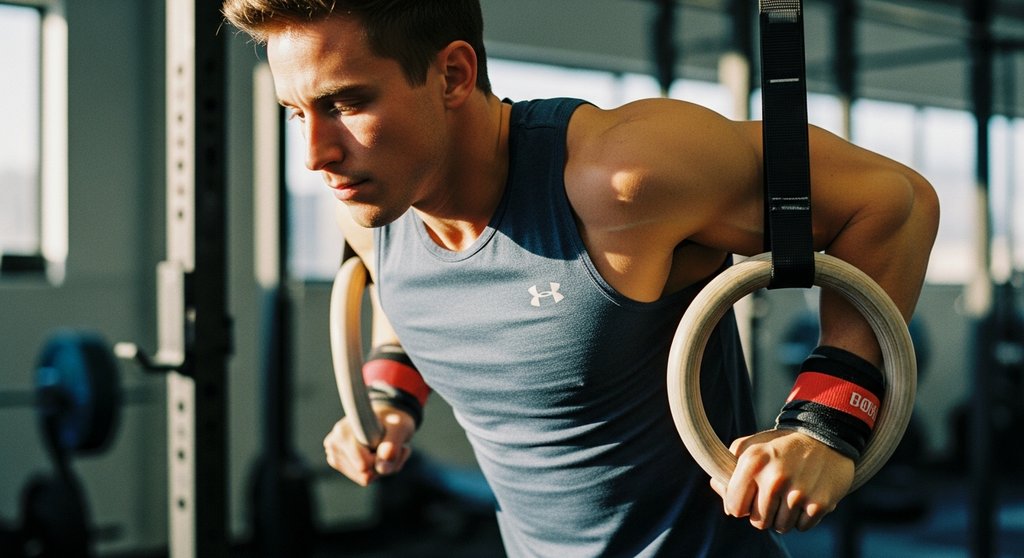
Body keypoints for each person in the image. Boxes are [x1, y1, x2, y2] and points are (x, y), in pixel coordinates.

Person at [222, 1, 939, 556]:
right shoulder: (375, 209)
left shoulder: (620, 181)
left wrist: (827, 423)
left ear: (452, 75)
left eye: (346, 103)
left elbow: (895, 201)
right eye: (296, 112)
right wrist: (389, 397)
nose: (314, 153)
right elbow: (403, 297)